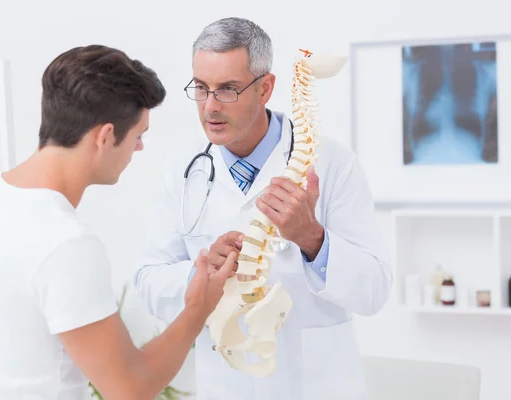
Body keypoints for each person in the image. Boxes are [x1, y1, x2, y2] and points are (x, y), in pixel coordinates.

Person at [0, 44, 237, 400]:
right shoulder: (64, 243)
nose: (138, 149)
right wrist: (199, 307)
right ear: (105, 137)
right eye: (138, 136)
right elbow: (130, 389)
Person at [133, 17, 393, 400]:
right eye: (201, 89)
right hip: (224, 385)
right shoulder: (181, 172)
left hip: (316, 385)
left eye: (228, 90)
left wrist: (312, 239)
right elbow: (149, 284)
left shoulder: (332, 164)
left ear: (265, 88)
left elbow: (375, 290)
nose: (210, 107)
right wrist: (201, 271)